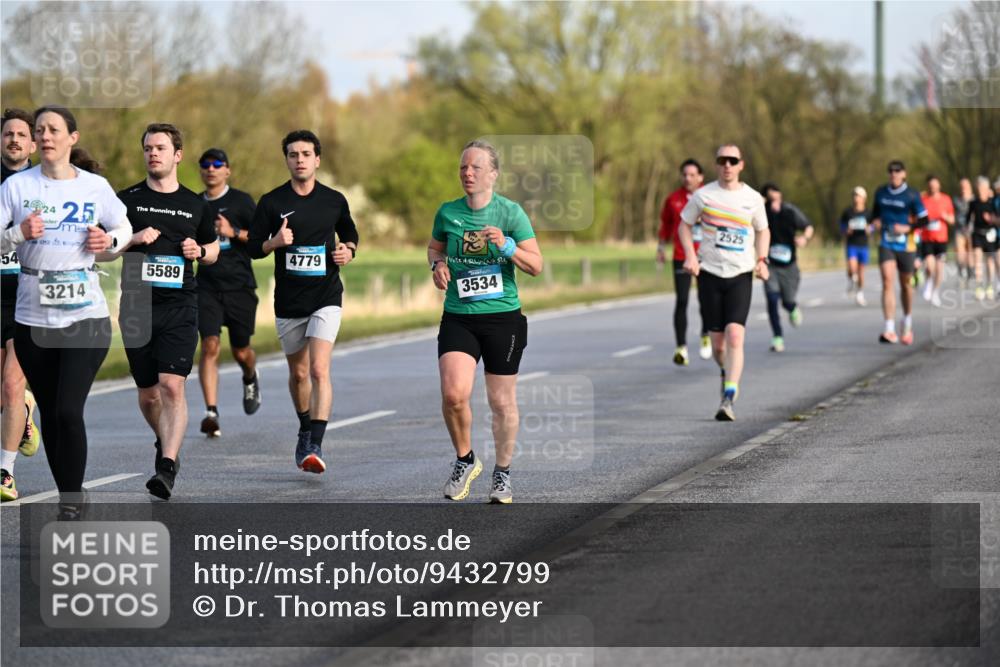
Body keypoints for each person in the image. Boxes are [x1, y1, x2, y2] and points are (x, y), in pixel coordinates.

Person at [0, 105, 132, 518]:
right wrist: (17, 234)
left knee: (67, 410)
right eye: (39, 130)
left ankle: (70, 503)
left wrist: (107, 244)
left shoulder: (94, 186)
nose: (45, 136)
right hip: (33, 318)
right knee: (54, 417)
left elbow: (123, 228)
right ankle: (68, 492)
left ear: (72, 138)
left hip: (84, 315)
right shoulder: (17, 187)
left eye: (54, 129)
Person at [428, 139, 542, 503]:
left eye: (476, 167)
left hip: (502, 319)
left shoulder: (510, 213)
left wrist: (507, 246)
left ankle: (503, 474)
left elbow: (536, 265)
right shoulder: (448, 213)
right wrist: (438, 265)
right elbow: (434, 247)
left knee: (501, 403)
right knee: (453, 395)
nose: (467, 173)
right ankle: (465, 459)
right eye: (463, 167)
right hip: (459, 317)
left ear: (493, 174)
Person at [116, 123, 219, 500]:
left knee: (172, 385)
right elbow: (100, 245)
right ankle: (164, 440)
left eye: (160, 147)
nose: (153, 153)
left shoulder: (196, 205)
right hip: (137, 307)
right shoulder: (125, 200)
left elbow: (213, 250)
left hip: (179, 306)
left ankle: (167, 468)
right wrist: (133, 240)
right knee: (148, 395)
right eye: (147, 148)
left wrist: (200, 252)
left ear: (177, 155)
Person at [248, 130, 358, 474]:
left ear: (317, 160)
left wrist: (348, 251)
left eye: (306, 154)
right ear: (287, 160)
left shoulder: (334, 200)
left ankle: (315, 443)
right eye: (293, 154)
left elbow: (350, 234)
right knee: (298, 375)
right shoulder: (271, 202)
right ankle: (304, 426)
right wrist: (274, 242)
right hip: (289, 302)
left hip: (326, 296)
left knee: (318, 369)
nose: (300, 160)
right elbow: (252, 246)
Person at [678, 144, 769, 421]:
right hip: (710, 274)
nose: (727, 165)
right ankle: (725, 369)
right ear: (717, 165)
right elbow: (684, 225)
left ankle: (729, 395)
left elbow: (763, 230)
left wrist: (762, 259)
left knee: (735, 335)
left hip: (740, 274)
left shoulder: (753, 199)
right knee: (718, 345)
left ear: (741, 165)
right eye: (722, 160)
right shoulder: (703, 196)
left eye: (732, 160)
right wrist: (691, 257)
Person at [194, 148, 261, 438]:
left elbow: (262, 240)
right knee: (209, 346)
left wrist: (234, 233)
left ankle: (250, 375)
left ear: (227, 170)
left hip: (240, 287)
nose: (211, 169)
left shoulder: (242, 201)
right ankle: (211, 412)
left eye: (217, 164)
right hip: (206, 287)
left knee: (241, 351)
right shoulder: (194, 204)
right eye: (206, 165)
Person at [0, 108, 40, 502]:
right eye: (7, 133)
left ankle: (5, 473)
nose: (13, 139)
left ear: (32, 143)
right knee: (5, 393)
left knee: (12, 383)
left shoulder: (44, 184)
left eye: (20, 135)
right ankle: (24, 414)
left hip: (28, 295)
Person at [657, 158, 710, 365]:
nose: (687, 178)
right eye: (684, 175)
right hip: (682, 256)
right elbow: (665, 226)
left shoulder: (711, 196)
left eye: (692, 175)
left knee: (706, 299)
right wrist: (661, 248)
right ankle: (681, 348)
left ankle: (706, 334)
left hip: (706, 256)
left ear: (700, 177)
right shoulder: (673, 199)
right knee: (682, 301)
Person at [873, 160, 928, 345]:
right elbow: (874, 216)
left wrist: (908, 228)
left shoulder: (912, 195)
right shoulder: (880, 192)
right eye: (890, 171)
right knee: (887, 281)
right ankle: (889, 328)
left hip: (906, 245)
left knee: (906, 285)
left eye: (897, 171)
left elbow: (924, 220)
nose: (894, 174)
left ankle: (907, 320)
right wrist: (875, 223)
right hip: (886, 242)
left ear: (904, 174)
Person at [760, 183, 813, 352]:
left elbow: (808, 227)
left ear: (781, 196)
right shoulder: (762, 213)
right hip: (771, 266)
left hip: (789, 266)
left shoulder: (790, 211)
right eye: (770, 199)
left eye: (776, 198)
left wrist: (804, 238)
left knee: (786, 301)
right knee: (772, 300)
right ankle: (777, 337)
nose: (774, 203)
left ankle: (792, 308)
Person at [919, 175, 955, 307]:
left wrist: (944, 216)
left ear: (939, 186)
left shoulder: (946, 199)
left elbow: (952, 220)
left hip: (941, 239)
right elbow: (917, 215)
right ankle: (928, 282)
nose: (933, 187)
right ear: (928, 186)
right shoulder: (923, 199)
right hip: (927, 238)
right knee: (930, 266)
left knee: (939, 270)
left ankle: (935, 292)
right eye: (930, 185)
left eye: (935, 185)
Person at [839, 186, 873, 306]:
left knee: (861, 273)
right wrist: (845, 230)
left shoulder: (868, 213)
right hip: (851, 244)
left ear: (864, 198)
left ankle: (860, 293)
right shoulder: (848, 212)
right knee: (852, 268)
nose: (856, 198)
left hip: (863, 245)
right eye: (854, 195)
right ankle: (851, 280)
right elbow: (841, 226)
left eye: (858, 195)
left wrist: (870, 229)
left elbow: (873, 225)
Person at [968, 176, 998, 301]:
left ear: (987, 189)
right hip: (977, 234)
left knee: (990, 262)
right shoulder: (973, 202)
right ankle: (979, 286)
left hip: (990, 234)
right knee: (977, 259)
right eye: (979, 188)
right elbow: (968, 217)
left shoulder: (992, 202)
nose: (980, 190)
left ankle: (990, 285)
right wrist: (966, 227)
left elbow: (997, 218)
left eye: (983, 188)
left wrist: (991, 219)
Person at [953, 178, 974, 287]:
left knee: (970, 253)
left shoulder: (974, 199)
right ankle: (962, 272)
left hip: (972, 230)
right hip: (959, 229)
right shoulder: (956, 200)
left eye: (965, 186)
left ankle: (970, 275)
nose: (963, 189)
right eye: (961, 186)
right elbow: (953, 214)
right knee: (960, 253)